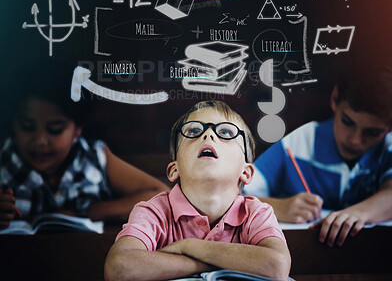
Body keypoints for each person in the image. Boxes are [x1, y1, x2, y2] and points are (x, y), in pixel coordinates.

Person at [104, 100, 291, 281]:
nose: (208, 135)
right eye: (194, 131)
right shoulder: (154, 211)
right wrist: (216, 262)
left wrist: (189, 246)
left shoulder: (256, 213)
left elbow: (277, 265)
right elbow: (119, 268)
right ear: (174, 169)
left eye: (225, 132)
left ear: (246, 172)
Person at [0, 59, 169, 229]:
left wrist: (90, 212)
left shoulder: (94, 157)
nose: (40, 141)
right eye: (27, 127)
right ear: (13, 124)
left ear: (77, 129)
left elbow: (161, 194)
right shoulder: (4, 161)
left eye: (55, 130)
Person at [244, 60, 392, 247]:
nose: (355, 140)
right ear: (335, 98)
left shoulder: (388, 146)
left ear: (388, 128)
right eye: (347, 121)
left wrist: (358, 214)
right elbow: (232, 196)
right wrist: (279, 207)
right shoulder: (293, 141)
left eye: (372, 132)